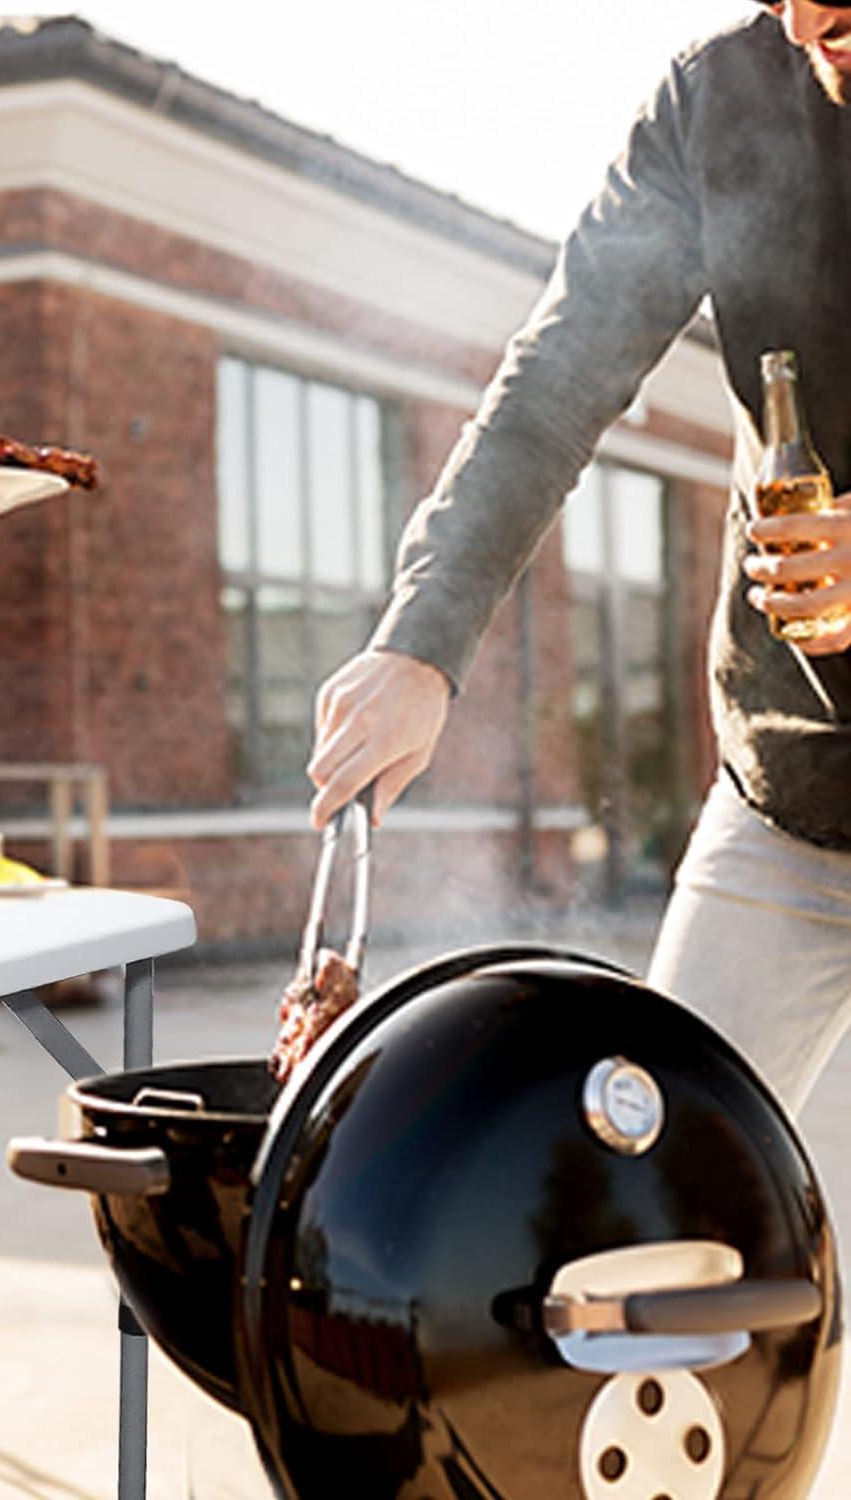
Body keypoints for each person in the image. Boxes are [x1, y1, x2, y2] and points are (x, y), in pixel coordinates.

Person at [309, 0, 851, 1116]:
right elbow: (554, 387)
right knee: (671, 1208)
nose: (803, 19)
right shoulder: (719, 99)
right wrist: (422, 639)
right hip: (794, 791)